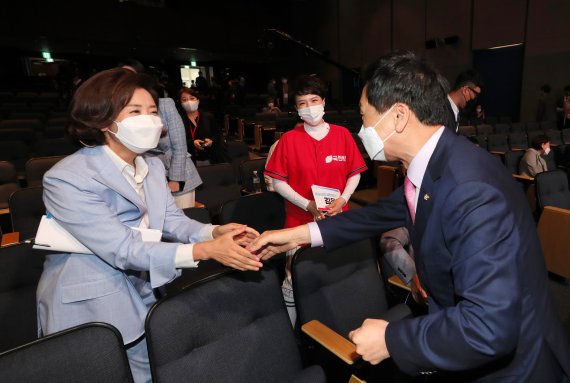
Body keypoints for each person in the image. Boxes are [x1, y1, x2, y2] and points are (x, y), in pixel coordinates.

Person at [248, 51, 570, 381]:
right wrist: (299, 234)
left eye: (365, 117)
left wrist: (391, 340)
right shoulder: (441, 161)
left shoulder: (468, 188)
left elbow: (490, 326)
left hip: (514, 369)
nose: (362, 129)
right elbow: (382, 213)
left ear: (399, 117)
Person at [36, 68, 262, 383]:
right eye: (136, 112)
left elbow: (170, 219)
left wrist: (213, 231)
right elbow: (122, 249)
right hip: (92, 300)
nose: (151, 120)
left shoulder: (153, 164)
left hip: (143, 283)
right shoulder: (68, 177)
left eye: (153, 111)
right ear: (103, 120)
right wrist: (206, 250)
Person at [264, 74, 367, 324]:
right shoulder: (288, 140)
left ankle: (333, 321)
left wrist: (343, 198)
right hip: (299, 219)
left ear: (324, 102)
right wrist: (308, 205)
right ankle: (290, 330)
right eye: (302, 103)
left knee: (334, 272)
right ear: (297, 109)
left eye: (314, 100)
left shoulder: (342, 135)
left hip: (336, 216)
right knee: (293, 276)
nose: (309, 107)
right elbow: (278, 183)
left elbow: (354, 174)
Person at [119, 59, 202, 209]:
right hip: (145, 176)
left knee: (182, 225)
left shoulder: (165, 104)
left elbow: (180, 145)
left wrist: (175, 179)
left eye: (130, 75)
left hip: (176, 172)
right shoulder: (118, 109)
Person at [178, 87, 217, 166]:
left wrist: (211, 141)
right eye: (184, 100)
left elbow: (217, 134)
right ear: (181, 103)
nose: (188, 102)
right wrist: (192, 143)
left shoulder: (208, 117)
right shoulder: (178, 120)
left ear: (198, 100)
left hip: (210, 158)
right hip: (188, 161)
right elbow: (177, 141)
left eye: (192, 98)